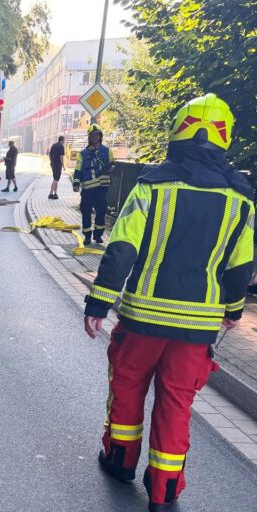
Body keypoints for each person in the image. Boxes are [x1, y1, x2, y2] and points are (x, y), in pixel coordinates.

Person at [83, 94, 253, 512]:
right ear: (224, 138)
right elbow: (241, 268)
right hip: (197, 329)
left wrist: (98, 303)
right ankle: (164, 490)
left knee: (127, 389)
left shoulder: (151, 186)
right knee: (176, 405)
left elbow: (121, 249)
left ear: (178, 130)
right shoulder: (242, 200)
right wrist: (233, 310)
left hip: (142, 319)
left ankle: (120, 460)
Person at [73, 124, 114, 244]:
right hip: (88, 189)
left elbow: (113, 164)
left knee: (101, 212)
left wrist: (111, 168)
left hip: (102, 188)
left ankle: (98, 235)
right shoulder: (83, 153)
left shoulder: (107, 151)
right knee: (86, 212)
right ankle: (87, 236)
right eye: (92, 135)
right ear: (89, 137)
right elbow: (78, 169)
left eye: (96, 135)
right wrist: (76, 183)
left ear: (100, 136)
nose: (94, 137)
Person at [48, 135, 66, 199]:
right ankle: (50, 194)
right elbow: (61, 157)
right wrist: (63, 165)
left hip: (53, 164)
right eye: (64, 140)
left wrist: (51, 161)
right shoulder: (61, 146)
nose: (64, 141)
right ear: (62, 140)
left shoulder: (54, 145)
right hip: (58, 165)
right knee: (56, 179)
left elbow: (50, 154)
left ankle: (55, 193)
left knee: (56, 179)